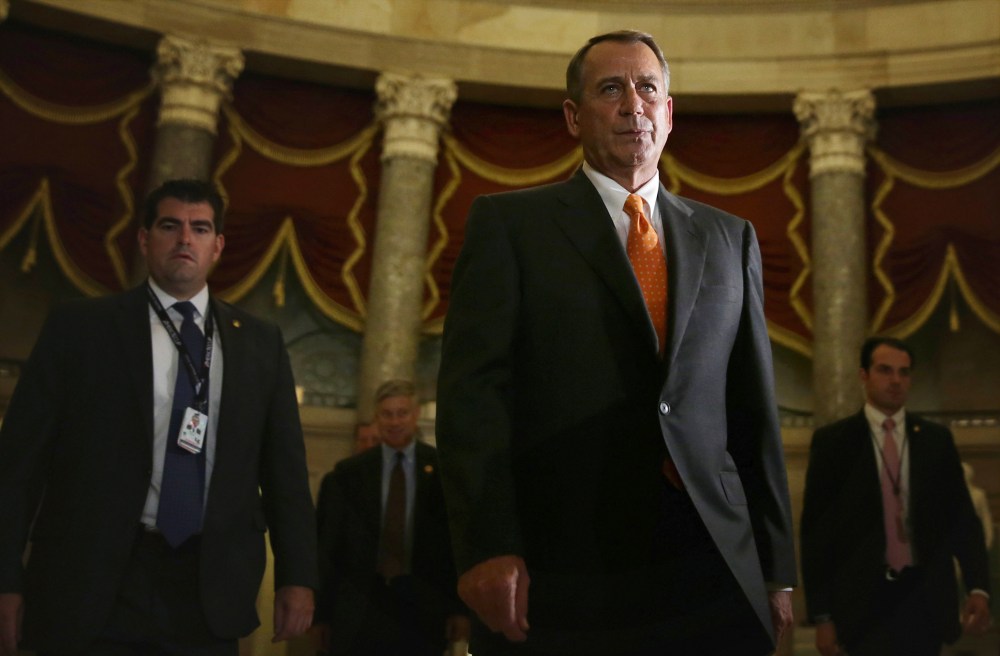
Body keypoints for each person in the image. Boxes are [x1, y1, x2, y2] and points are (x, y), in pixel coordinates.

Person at [435, 30, 796, 656]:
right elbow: (474, 402)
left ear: (669, 111)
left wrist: (775, 565)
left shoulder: (730, 238)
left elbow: (752, 412)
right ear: (574, 116)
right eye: (611, 89)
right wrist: (488, 544)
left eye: (648, 88)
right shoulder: (510, 227)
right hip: (566, 567)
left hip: (709, 558)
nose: (634, 104)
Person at [0, 179, 318, 655]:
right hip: (91, 578)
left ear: (218, 246)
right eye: (170, 225)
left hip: (207, 585)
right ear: (145, 240)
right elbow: (18, 466)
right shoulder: (81, 328)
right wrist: (6, 578)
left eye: (200, 228)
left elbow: (285, 475)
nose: (185, 239)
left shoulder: (260, 343)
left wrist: (298, 577)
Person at [800, 336, 991, 656]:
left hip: (925, 600)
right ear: (864, 375)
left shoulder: (935, 440)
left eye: (904, 373)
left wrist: (978, 587)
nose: (895, 380)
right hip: (863, 604)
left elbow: (961, 518)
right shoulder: (835, 443)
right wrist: (822, 616)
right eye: (885, 370)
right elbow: (817, 536)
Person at [314, 380, 468, 656]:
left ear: (416, 414)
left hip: (422, 610)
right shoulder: (348, 474)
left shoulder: (443, 472)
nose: (394, 421)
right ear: (377, 417)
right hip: (358, 610)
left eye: (402, 413)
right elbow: (328, 547)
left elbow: (454, 544)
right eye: (387, 414)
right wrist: (321, 614)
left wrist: (459, 609)